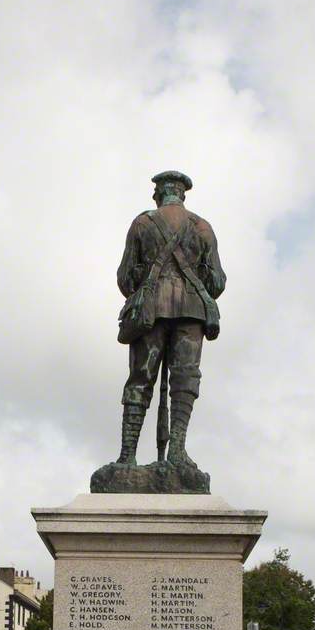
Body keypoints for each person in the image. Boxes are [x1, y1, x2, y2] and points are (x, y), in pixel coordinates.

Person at [115, 170, 226, 469]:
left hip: (151, 312)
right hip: (192, 312)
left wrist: (145, 278)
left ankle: (127, 457)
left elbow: (125, 278)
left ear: (158, 194)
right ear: (183, 194)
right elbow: (217, 282)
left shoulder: (142, 224)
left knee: (140, 379)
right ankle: (177, 449)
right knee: (185, 381)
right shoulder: (202, 227)